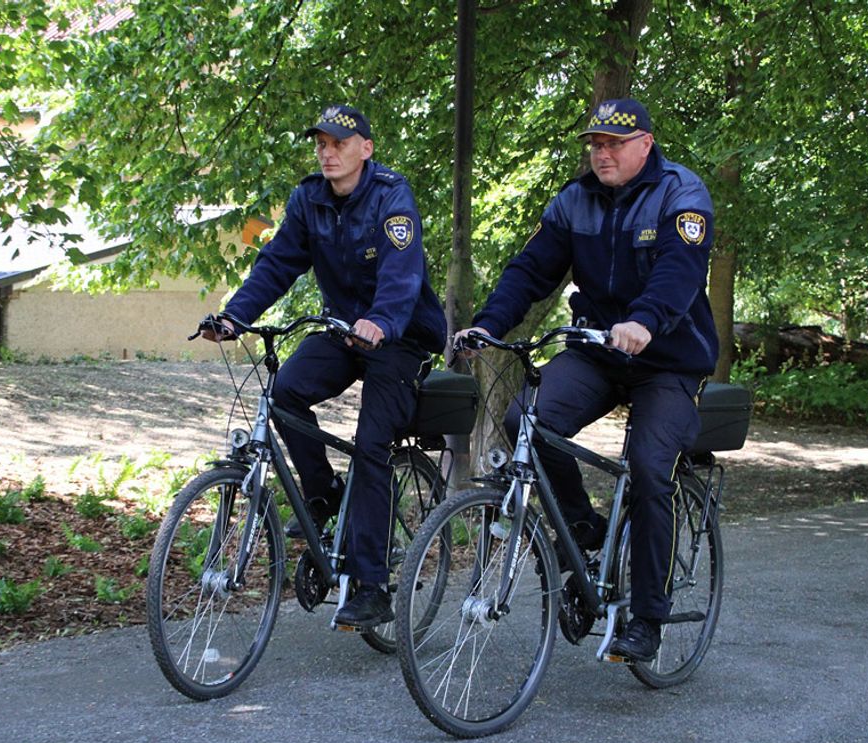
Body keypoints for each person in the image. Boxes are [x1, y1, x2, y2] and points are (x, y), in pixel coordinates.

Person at [456, 98, 718, 661]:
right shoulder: (576, 201)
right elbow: (531, 270)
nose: (602, 153)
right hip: (599, 350)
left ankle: (648, 617)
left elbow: (680, 271)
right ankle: (581, 528)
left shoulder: (681, 193)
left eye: (614, 144)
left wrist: (645, 322)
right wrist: (488, 325)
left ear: (644, 144)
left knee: (650, 471)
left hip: (668, 360)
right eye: (595, 144)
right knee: (525, 419)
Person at [199, 104, 446, 627]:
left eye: (338, 143)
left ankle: (372, 583)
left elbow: (403, 273)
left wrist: (382, 320)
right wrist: (235, 317)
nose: (327, 152)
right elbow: (278, 263)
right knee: (285, 392)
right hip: (344, 329)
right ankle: (323, 491)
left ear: (365, 149)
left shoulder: (391, 195)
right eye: (321, 143)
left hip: (399, 335)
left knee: (371, 443)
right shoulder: (309, 198)